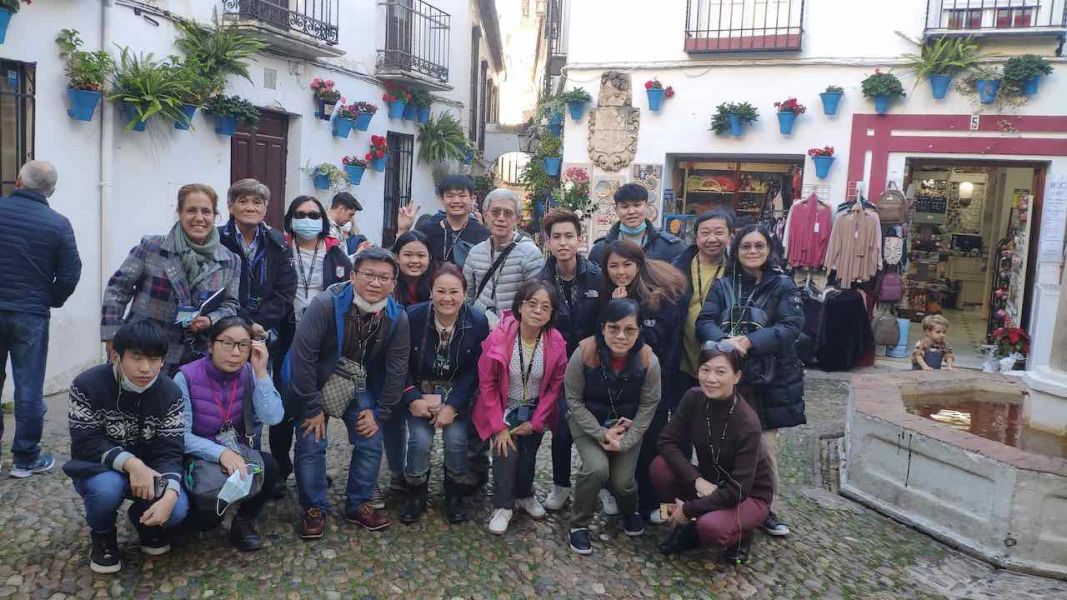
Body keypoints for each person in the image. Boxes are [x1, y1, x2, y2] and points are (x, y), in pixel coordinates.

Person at [286, 247, 410, 538]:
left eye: (384, 277)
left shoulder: (396, 317)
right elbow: (303, 358)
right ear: (353, 276)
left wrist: (381, 412)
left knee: (370, 438)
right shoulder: (326, 304)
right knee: (311, 440)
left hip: (358, 382)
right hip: (316, 380)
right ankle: (313, 507)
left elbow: (397, 369)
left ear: (393, 283)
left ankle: (358, 502)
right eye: (368, 274)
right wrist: (311, 407)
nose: (375, 283)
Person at [696, 224, 805, 537]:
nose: (752, 251)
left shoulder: (783, 285)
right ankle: (721, 500)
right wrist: (724, 343)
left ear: (769, 250)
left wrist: (750, 342)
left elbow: (791, 327)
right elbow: (705, 321)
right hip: (728, 376)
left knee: (764, 448)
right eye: (746, 246)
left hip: (768, 380)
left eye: (759, 246)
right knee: (720, 443)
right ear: (737, 250)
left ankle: (765, 507)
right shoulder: (722, 285)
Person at [65, 321, 189, 574]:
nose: (145, 368)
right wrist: (133, 465)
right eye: (136, 358)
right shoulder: (86, 385)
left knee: (176, 508)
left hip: (151, 474)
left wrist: (170, 494)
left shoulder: (171, 394)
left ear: (162, 361)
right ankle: (103, 534)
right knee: (106, 489)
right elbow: (86, 442)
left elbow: (170, 451)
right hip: (100, 469)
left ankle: (145, 522)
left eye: (154, 360)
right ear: (116, 355)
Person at [652, 343, 774, 564]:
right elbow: (666, 441)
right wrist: (695, 479)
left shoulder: (747, 423)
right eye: (705, 370)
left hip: (748, 496)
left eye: (720, 372)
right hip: (709, 482)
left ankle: (742, 535)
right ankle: (682, 526)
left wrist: (688, 509)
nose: (711, 379)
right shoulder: (693, 397)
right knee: (659, 467)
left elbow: (738, 490)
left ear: (736, 376)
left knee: (711, 527)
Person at [101, 183, 240, 376]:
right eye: (191, 210)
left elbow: (230, 305)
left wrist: (210, 319)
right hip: (143, 351)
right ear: (179, 213)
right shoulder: (152, 248)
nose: (199, 218)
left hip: (194, 360)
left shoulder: (230, 260)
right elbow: (117, 289)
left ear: (215, 216)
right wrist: (112, 336)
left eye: (206, 211)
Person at [0, 160, 81, 478]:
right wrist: (50, 299)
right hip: (30, 315)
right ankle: (26, 458)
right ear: (51, 191)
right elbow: (71, 273)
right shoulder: (58, 224)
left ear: (19, 181)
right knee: (29, 387)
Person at [175, 317, 284, 551]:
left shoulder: (250, 373)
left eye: (243, 345)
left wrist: (261, 373)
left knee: (270, 467)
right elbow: (180, 435)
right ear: (210, 345)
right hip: (197, 456)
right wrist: (220, 453)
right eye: (227, 343)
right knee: (208, 521)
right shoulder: (186, 377)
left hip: (237, 451)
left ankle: (244, 521)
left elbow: (273, 417)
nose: (235, 353)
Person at [565, 299, 662, 554]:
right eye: (614, 328)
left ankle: (629, 512)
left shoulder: (648, 361)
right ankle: (579, 524)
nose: (621, 336)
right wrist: (601, 433)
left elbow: (649, 405)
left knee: (623, 482)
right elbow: (573, 400)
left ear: (639, 331)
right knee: (596, 469)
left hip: (626, 428)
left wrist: (625, 441)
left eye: (630, 330)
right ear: (603, 328)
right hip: (588, 423)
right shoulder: (584, 353)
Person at [599, 239, 686, 523]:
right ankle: (617, 493)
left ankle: (652, 503)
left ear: (639, 265)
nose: (620, 271)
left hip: (654, 379)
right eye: (613, 266)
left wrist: (626, 309)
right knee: (618, 436)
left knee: (650, 442)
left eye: (627, 265)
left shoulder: (661, 295)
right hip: (620, 382)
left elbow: (658, 343)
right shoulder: (609, 292)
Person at [269, 196, 354, 486]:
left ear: (323, 220)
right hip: (284, 336)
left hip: (321, 341)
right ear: (290, 218)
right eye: (301, 214)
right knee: (282, 406)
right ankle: (280, 469)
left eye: (314, 215)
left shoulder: (335, 253)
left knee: (316, 402)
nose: (307, 220)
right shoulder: (279, 249)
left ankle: (312, 463)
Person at [473, 280, 567, 535]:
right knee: (505, 453)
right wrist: (499, 426)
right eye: (532, 304)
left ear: (551, 313)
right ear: (520, 306)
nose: (538, 311)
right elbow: (487, 384)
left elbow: (555, 385)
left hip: (535, 408)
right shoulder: (499, 337)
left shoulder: (555, 341)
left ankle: (525, 494)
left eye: (545, 307)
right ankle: (503, 505)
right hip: (503, 407)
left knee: (528, 455)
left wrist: (537, 421)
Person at [399, 265, 490, 524]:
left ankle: (455, 492)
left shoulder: (477, 321)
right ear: (431, 292)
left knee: (456, 439)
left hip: (457, 393)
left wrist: (454, 405)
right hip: (421, 392)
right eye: (440, 291)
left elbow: (475, 370)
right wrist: (412, 397)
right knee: (419, 440)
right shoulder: (413, 317)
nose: (447, 298)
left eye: (454, 291)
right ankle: (416, 492)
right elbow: (400, 362)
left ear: (465, 293)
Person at [538, 208, 602, 511]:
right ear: (548, 242)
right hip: (560, 368)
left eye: (569, 236)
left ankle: (606, 485)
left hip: (596, 365)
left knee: (601, 421)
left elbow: (608, 319)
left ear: (579, 239)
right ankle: (560, 484)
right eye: (557, 237)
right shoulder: (541, 281)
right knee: (562, 427)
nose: (563, 243)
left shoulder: (597, 277)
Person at [218, 179, 297, 343]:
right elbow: (214, 290)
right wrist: (245, 323)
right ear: (231, 207)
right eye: (243, 201)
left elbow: (285, 291)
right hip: (223, 327)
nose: (250, 208)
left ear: (265, 208)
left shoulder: (278, 243)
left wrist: (258, 323)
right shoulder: (216, 240)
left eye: (257, 202)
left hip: (264, 331)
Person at [672, 209, 733, 398]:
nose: (712, 239)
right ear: (696, 237)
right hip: (682, 360)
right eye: (705, 233)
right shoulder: (677, 267)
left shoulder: (738, 271)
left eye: (719, 232)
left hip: (723, 360)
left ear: (730, 236)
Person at [464, 188, 545, 327]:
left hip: (513, 330)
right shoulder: (475, 253)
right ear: (486, 215)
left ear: (517, 219)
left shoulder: (530, 254)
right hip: (479, 328)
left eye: (507, 213)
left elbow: (536, 300)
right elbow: (467, 297)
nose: (501, 218)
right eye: (495, 212)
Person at [396, 175, 489, 268]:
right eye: (450, 196)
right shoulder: (426, 231)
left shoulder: (483, 235)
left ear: (472, 199)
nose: (456, 200)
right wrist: (403, 230)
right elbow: (402, 261)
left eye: (462, 196)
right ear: (441, 198)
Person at [588, 183, 684, 265]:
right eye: (625, 207)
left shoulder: (669, 246)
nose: (631, 211)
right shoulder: (601, 249)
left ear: (647, 206)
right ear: (616, 210)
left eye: (637, 205)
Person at [392, 230, 435, 306]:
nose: (415, 261)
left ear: (430, 257)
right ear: (397, 257)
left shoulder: (437, 283)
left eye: (421, 256)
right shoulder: (388, 282)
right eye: (408, 255)